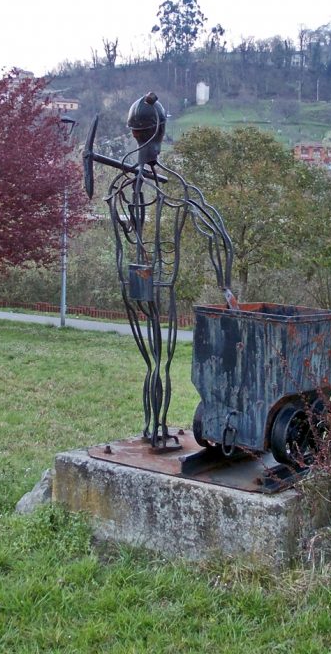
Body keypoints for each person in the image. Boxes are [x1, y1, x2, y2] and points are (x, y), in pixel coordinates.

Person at [88, 92, 237, 449]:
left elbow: (126, 228)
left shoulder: (121, 187)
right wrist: (225, 283)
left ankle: (154, 426)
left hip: (136, 281)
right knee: (161, 360)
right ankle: (157, 426)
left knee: (154, 360)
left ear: (135, 132)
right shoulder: (176, 189)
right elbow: (218, 235)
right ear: (160, 131)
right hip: (157, 283)